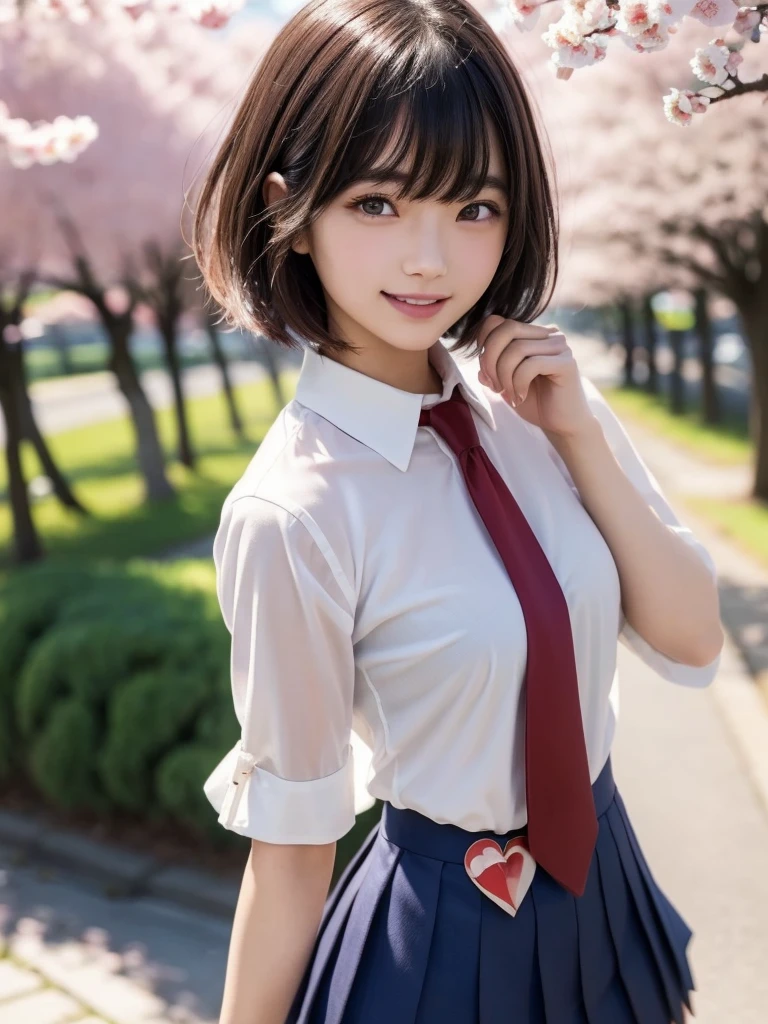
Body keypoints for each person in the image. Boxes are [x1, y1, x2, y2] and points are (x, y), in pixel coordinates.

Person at [191, 1, 724, 1022]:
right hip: (443, 940)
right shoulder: (293, 511)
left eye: (475, 206)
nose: (430, 258)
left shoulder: (537, 404)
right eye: (379, 204)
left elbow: (692, 638)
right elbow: (292, 852)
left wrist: (579, 439)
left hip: (606, 887)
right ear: (290, 211)